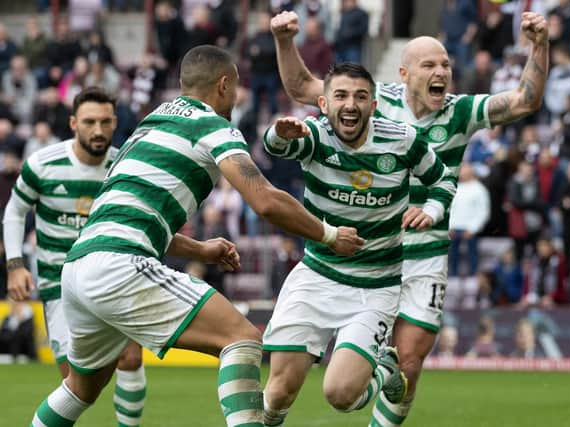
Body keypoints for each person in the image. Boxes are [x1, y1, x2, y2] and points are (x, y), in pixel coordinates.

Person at [26, 46, 364, 427]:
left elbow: (136, 218)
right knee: (241, 338)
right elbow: (265, 200)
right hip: (118, 265)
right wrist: (329, 234)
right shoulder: (212, 125)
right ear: (223, 85)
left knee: (81, 388)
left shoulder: (150, 123)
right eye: (234, 89)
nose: (235, 98)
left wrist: (201, 249)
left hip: (78, 267)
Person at [270, 9, 549, 426]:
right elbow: (302, 87)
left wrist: (539, 44)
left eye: (446, 66)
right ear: (404, 73)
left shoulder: (461, 112)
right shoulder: (372, 100)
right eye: (430, 65)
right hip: (372, 248)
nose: (442, 73)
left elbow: (525, 100)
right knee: (319, 383)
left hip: (426, 251)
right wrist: (286, 40)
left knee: (411, 361)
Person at [261, 62, 456, 426]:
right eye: (341, 96)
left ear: (374, 105)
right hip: (316, 276)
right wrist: (279, 133)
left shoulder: (402, 140)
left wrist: (430, 209)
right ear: (323, 103)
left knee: (341, 395)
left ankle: (385, 373)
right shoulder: (315, 136)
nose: (350, 104)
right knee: (277, 393)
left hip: (375, 286)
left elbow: (442, 180)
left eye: (360, 97)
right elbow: (276, 147)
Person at [3, 87, 149, 427]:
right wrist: (14, 266)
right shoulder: (43, 164)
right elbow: (14, 211)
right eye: (89, 122)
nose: (97, 130)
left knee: (129, 357)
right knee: (77, 384)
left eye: (105, 122)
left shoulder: (125, 167)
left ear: (115, 123)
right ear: (73, 123)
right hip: (59, 284)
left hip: (113, 277)